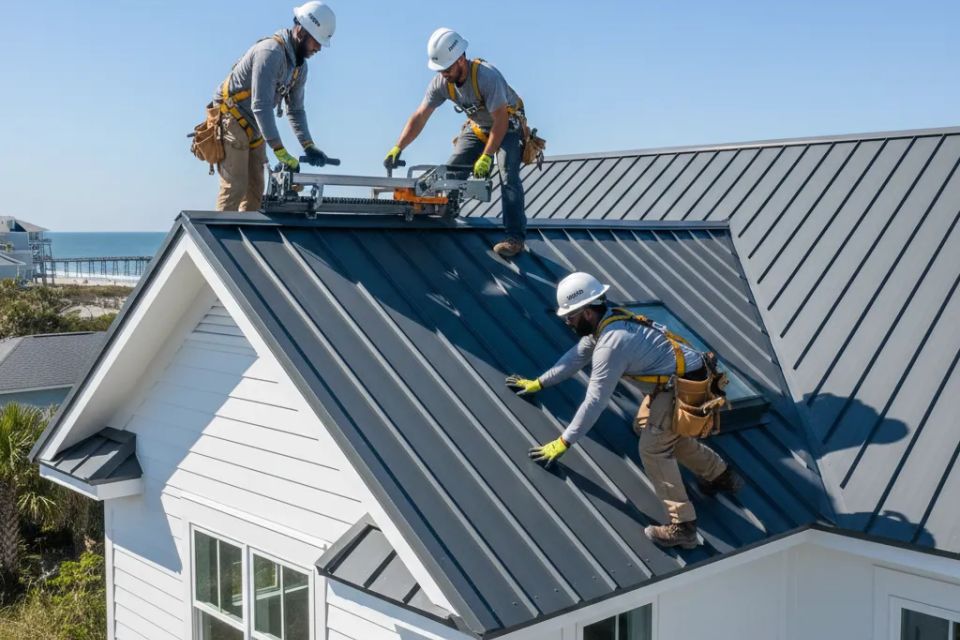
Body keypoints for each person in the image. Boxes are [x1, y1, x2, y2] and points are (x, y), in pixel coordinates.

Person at [509, 272, 743, 549]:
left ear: (586, 312)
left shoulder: (612, 343)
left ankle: (683, 528)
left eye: (570, 316)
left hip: (682, 388)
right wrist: (540, 382)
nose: (568, 322)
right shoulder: (607, 319)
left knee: (654, 448)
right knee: (650, 429)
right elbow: (576, 357)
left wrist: (564, 441)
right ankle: (722, 476)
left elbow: (595, 400)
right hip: (682, 380)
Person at [384, 28, 527, 257]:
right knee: (451, 172)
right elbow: (420, 116)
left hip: (507, 127)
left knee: (508, 175)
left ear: (461, 59)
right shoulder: (441, 82)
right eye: (440, 70)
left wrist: (487, 155)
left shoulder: (487, 77)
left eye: (447, 69)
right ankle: (446, 216)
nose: (444, 74)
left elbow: (500, 121)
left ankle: (515, 238)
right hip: (478, 128)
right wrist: (398, 146)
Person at [212, 2, 335, 211]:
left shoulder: (299, 68)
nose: (319, 48)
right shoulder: (270, 52)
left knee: (255, 190)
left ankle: (244, 240)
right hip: (231, 116)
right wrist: (279, 150)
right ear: (302, 31)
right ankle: (220, 240)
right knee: (236, 187)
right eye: (317, 41)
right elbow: (260, 105)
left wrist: (308, 145)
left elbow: (296, 110)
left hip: (255, 124)